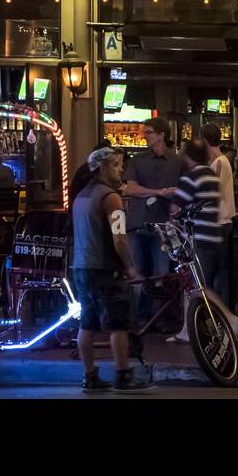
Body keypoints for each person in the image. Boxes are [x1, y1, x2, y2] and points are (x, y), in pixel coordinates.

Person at [71, 146, 149, 393]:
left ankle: (89, 376)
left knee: (88, 324)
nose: (121, 169)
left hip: (82, 267)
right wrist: (130, 267)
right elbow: (119, 238)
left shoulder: (81, 196)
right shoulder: (112, 198)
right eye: (116, 165)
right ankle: (123, 375)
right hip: (106, 268)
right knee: (118, 324)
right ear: (103, 168)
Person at [169, 139, 238, 344]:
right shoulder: (211, 176)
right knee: (193, 285)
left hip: (197, 238)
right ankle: (187, 329)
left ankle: (231, 320)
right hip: (214, 235)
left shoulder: (191, 177)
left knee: (197, 286)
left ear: (188, 156)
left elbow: (175, 209)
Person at [121, 118, 180, 327]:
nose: (144, 136)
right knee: (139, 274)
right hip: (138, 223)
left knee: (161, 274)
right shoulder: (137, 160)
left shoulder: (176, 161)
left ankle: (157, 318)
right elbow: (129, 189)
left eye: (148, 132)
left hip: (162, 226)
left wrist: (172, 200)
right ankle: (139, 318)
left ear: (162, 135)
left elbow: (183, 191)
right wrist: (160, 192)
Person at [199, 123, 236, 300]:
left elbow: (213, 193)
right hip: (223, 223)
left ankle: (217, 313)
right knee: (220, 271)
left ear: (204, 140)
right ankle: (221, 314)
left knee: (212, 272)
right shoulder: (221, 161)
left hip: (217, 224)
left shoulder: (219, 163)